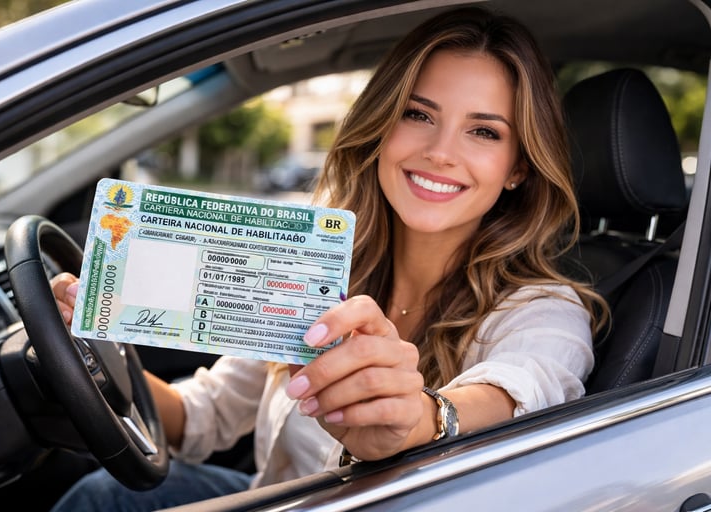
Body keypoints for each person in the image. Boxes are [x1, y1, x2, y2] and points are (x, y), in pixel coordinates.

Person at [50, 6, 607, 511]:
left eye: (483, 131)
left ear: (518, 168)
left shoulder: (546, 310)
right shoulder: (311, 266)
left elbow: (514, 392)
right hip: (276, 498)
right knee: (101, 495)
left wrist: (421, 418)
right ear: (382, 128)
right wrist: (101, 355)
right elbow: (201, 417)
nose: (441, 152)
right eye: (418, 115)